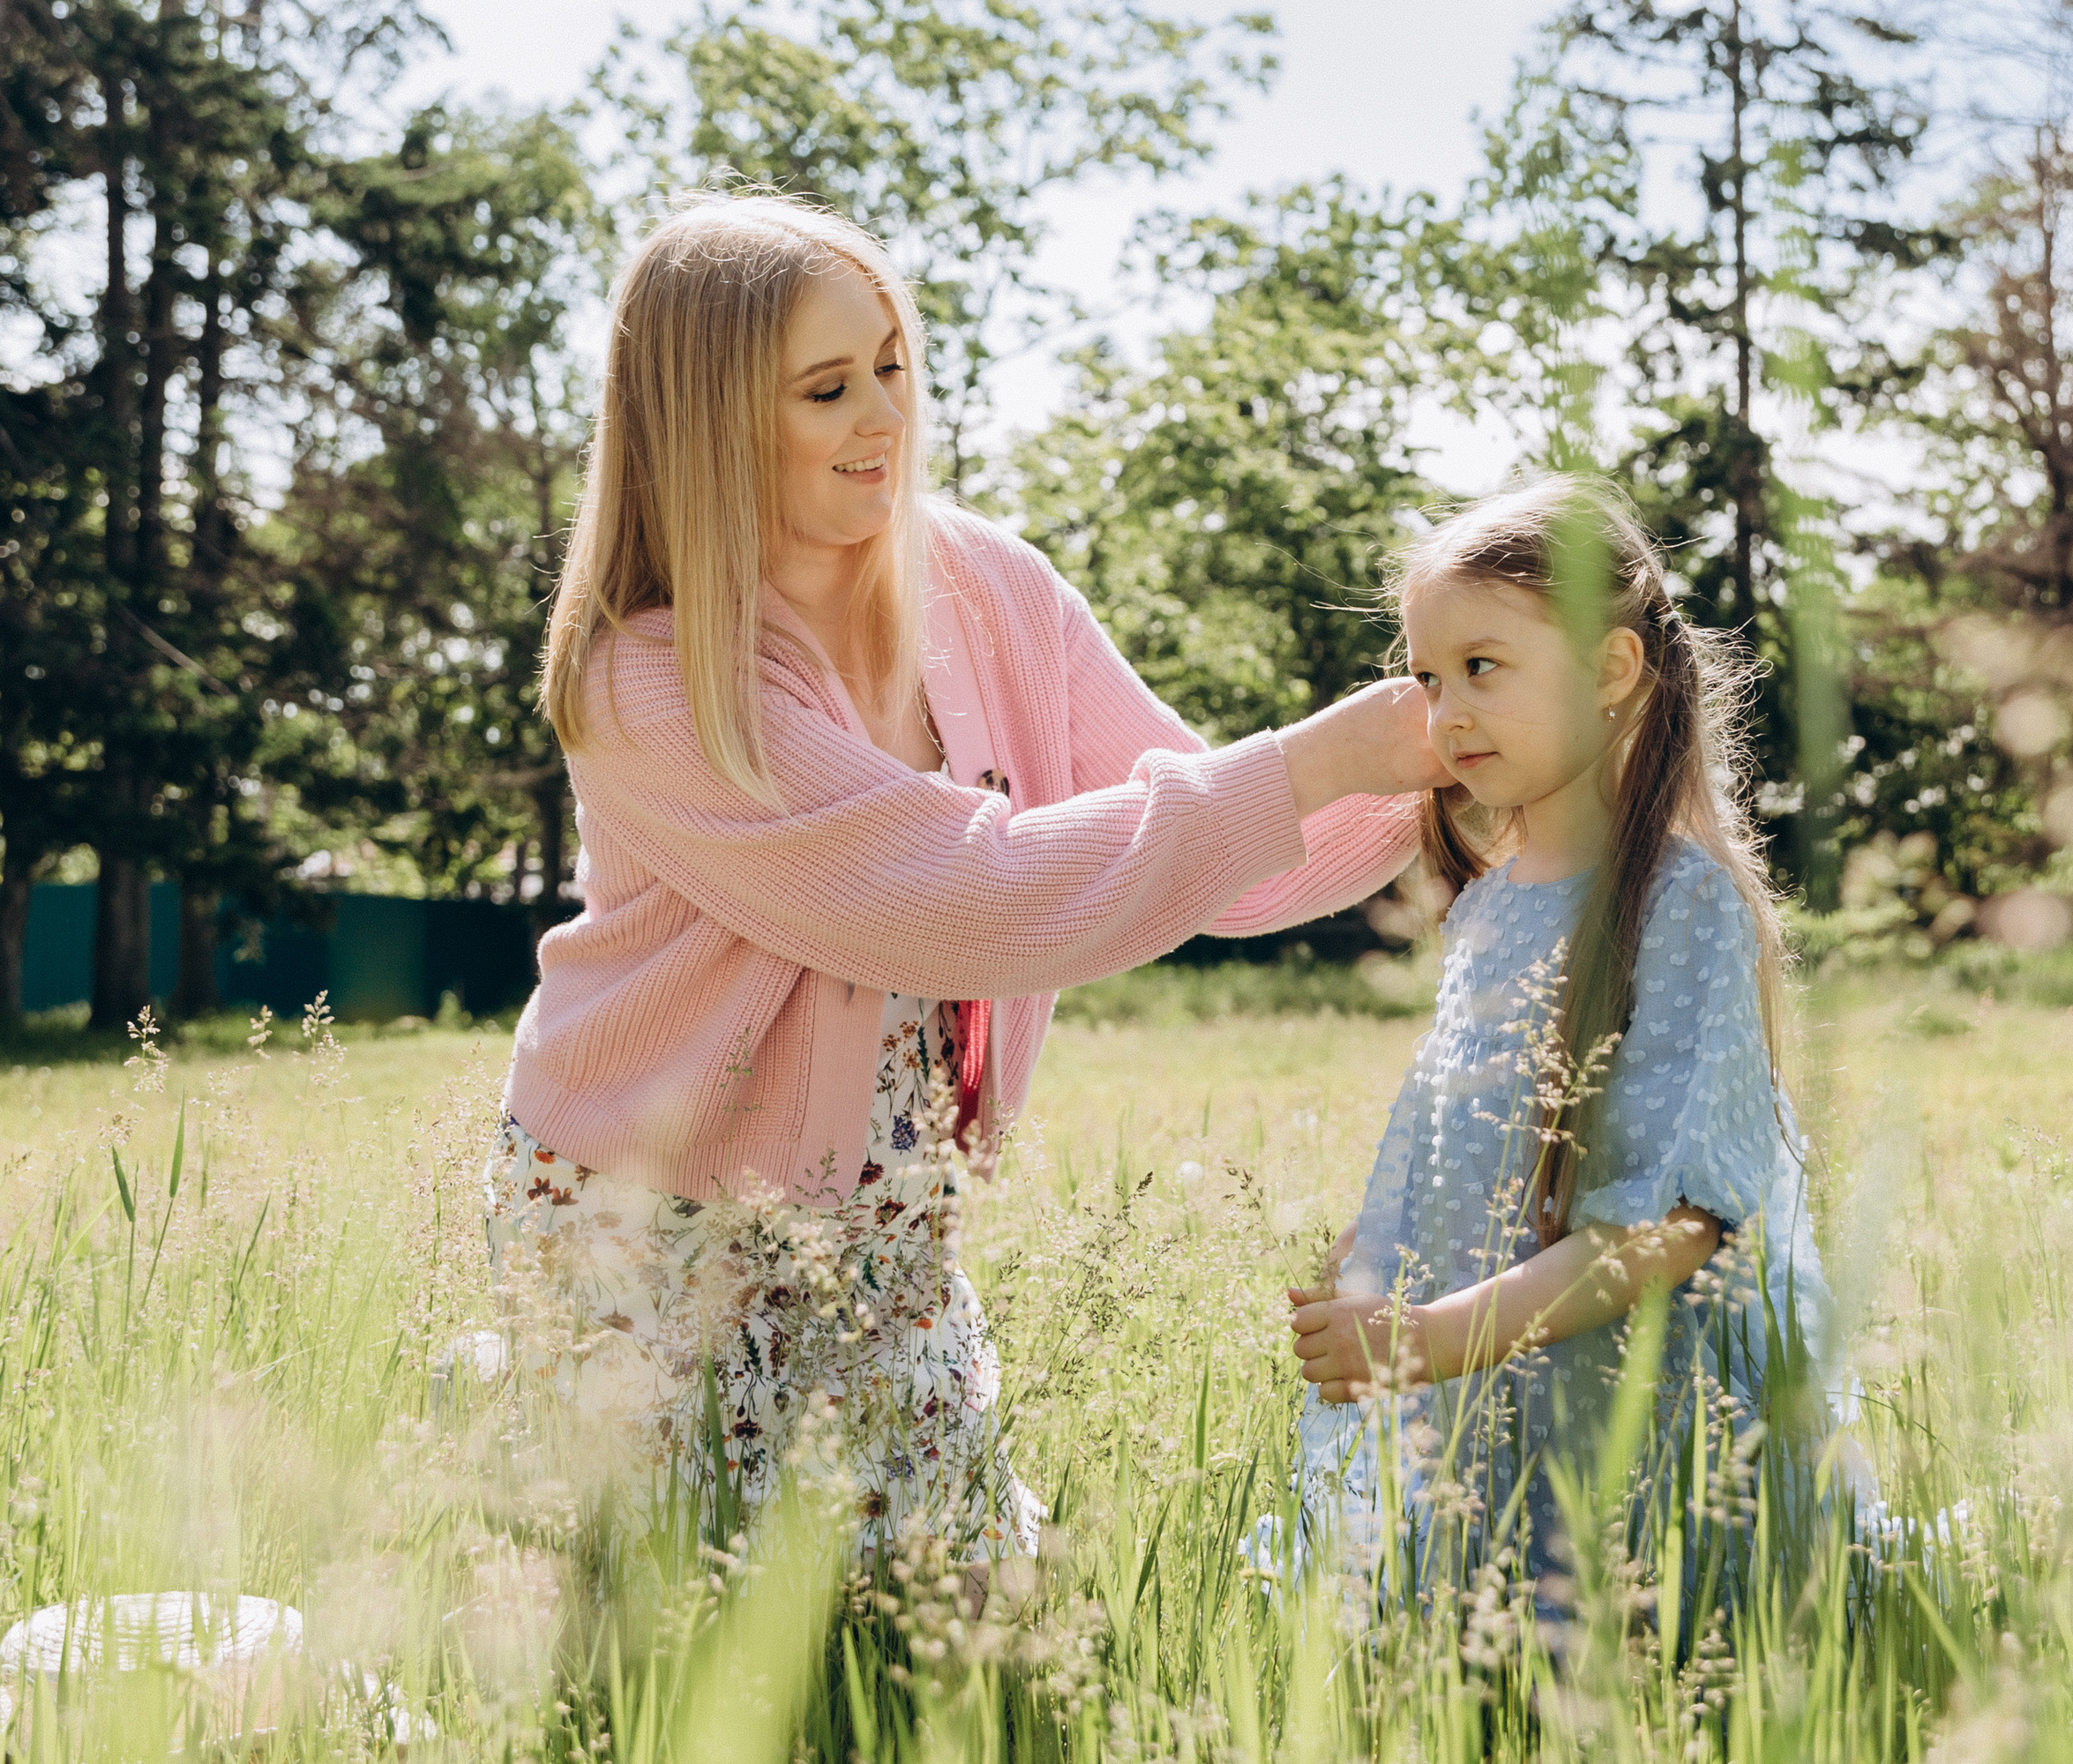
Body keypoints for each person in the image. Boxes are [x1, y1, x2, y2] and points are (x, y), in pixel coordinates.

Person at [486, 192, 1439, 1576]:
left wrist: (1444, 779)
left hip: (888, 1235)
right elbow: (973, 901)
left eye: (893, 366)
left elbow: (1208, 858)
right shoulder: (650, 682)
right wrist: (1307, 763)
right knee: (670, 1658)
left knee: (985, 1631)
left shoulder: (989, 588)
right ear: (708, 420)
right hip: (650, 1227)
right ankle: (504, 1422)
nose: (885, 415)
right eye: (828, 389)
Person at [1285, 476, 1831, 1604]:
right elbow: (1475, 1137)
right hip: (1493, 1381)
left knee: (1620, 1656)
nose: (1446, 714)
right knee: (1490, 1665)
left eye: (1482, 668)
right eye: (1429, 680)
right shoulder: (1489, 901)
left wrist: (1432, 1336)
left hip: (1632, 1397)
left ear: (1609, 670)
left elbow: (1679, 1221)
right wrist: (1378, 1252)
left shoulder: (1681, 905)